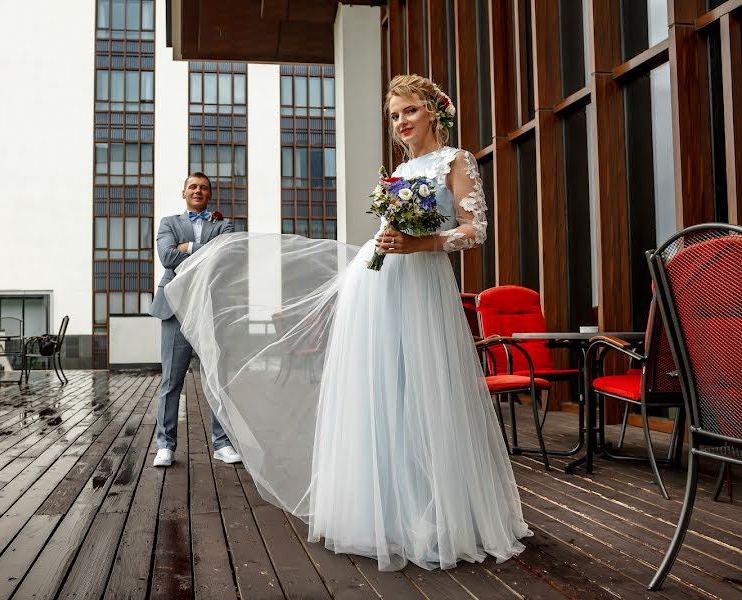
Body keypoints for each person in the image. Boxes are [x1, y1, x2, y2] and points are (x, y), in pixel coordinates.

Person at [164, 75, 530, 571]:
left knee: (421, 390)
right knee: (378, 393)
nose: (401, 123)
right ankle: (383, 512)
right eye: (395, 115)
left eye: (409, 112)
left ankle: (437, 511)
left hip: (421, 286)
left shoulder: (456, 161)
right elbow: (387, 231)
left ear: (435, 112)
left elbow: (475, 231)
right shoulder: (401, 169)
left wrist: (418, 244)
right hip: (376, 287)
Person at [149, 172, 243, 467]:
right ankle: (165, 446)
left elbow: (226, 255)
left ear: (209, 194)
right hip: (175, 308)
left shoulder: (224, 224)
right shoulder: (168, 223)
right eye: (193, 186)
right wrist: (206, 251)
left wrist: (186, 248)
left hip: (210, 308)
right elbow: (165, 256)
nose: (198, 191)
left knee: (217, 379)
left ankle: (222, 443)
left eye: (203, 187)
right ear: (184, 192)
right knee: (171, 381)